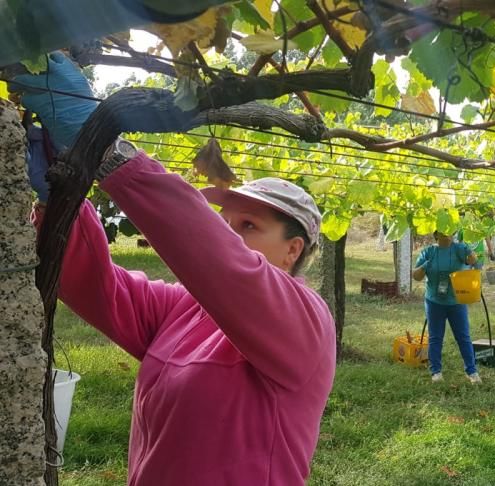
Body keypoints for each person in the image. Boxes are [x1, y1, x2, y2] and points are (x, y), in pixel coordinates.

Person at [18, 53, 336, 484]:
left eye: (248, 226)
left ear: (292, 250)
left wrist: (108, 156)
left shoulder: (306, 325)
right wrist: (60, 197)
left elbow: (221, 261)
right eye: (225, 223)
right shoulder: (186, 310)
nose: (228, 233)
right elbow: (96, 285)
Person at [412, 231, 482, 383]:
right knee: (436, 338)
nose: (448, 235)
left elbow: (474, 262)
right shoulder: (428, 251)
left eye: (451, 232)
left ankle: (472, 371)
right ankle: (435, 372)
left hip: (456, 301)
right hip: (434, 301)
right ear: (437, 234)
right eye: (444, 232)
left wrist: (470, 252)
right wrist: (425, 265)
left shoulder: (459, 249)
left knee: (463, 337)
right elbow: (416, 276)